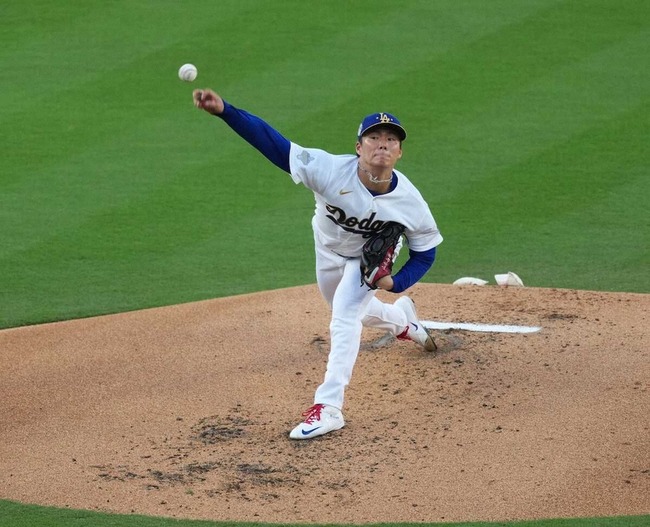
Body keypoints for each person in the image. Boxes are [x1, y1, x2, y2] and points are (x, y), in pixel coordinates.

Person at [193, 89, 443, 440]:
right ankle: (404, 321)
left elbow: (425, 252)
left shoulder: (411, 203)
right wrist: (226, 111)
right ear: (359, 147)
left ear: (399, 152)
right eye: (374, 138)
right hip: (326, 250)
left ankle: (329, 407)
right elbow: (273, 143)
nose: (382, 144)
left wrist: (395, 282)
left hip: (364, 263)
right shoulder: (329, 170)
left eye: (391, 139)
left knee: (344, 316)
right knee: (351, 310)